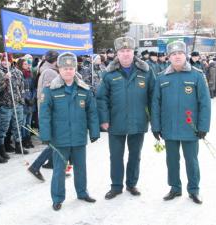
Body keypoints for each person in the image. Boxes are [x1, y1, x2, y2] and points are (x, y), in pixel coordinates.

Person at [151, 41, 211, 204]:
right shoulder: (162, 77)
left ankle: (194, 190)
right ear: (169, 57)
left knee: (191, 160)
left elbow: (205, 103)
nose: (177, 56)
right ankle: (175, 188)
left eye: (180, 53)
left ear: (185, 55)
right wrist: (155, 126)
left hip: (190, 128)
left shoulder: (197, 75)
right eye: (173, 54)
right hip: (168, 127)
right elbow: (155, 103)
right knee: (171, 160)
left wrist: (203, 126)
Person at [96, 36, 156, 200]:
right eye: (122, 51)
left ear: (133, 52)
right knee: (115, 156)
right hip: (116, 121)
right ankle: (116, 186)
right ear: (117, 53)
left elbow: (154, 97)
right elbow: (101, 98)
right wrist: (104, 119)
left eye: (128, 50)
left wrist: (153, 119)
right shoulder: (109, 74)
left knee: (135, 155)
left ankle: (131, 184)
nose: (125, 54)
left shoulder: (146, 71)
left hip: (138, 120)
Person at [39, 52, 100, 211]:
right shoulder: (50, 90)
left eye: (71, 68)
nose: (68, 71)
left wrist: (94, 131)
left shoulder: (84, 90)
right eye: (65, 68)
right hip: (60, 138)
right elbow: (44, 114)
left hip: (79, 136)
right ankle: (57, 198)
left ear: (75, 69)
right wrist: (45, 135)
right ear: (59, 69)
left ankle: (82, 192)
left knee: (81, 167)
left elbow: (91, 112)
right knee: (59, 170)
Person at [28, 50, 59, 180]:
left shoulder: (46, 70)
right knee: (57, 142)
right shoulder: (50, 72)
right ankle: (35, 166)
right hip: (51, 112)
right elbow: (53, 94)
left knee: (56, 140)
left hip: (49, 112)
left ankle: (52, 163)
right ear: (54, 60)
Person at [0, 54, 26, 157]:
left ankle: (19, 146)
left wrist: (22, 100)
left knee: (18, 126)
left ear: (11, 61)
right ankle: (1, 148)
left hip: (17, 104)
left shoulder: (17, 72)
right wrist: (4, 79)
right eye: (3, 60)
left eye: (7, 60)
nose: (5, 62)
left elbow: (21, 88)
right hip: (5, 104)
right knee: (3, 128)